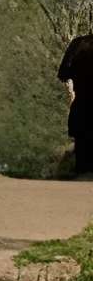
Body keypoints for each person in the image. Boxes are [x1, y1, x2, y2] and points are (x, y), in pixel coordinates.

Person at [59, 34, 93, 176]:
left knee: (82, 160)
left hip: (82, 107)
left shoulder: (79, 43)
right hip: (83, 106)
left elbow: (63, 73)